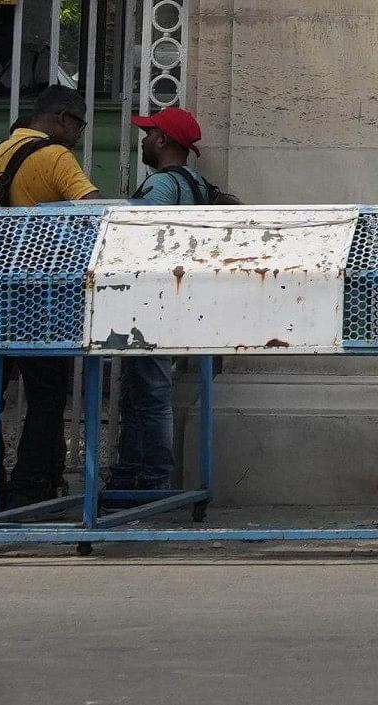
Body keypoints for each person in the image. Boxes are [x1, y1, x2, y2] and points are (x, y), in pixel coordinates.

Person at [0, 86, 99, 509]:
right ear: (63, 118)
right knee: (47, 394)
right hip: (40, 293)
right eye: (80, 124)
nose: (80, 134)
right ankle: (31, 486)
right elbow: (92, 208)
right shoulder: (55, 156)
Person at [108, 106, 216, 493]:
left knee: (148, 394)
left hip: (147, 301)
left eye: (148, 133)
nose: (142, 139)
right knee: (142, 391)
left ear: (163, 140)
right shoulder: (196, 183)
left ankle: (151, 482)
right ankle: (131, 477)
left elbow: (134, 239)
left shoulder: (162, 186)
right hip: (174, 298)